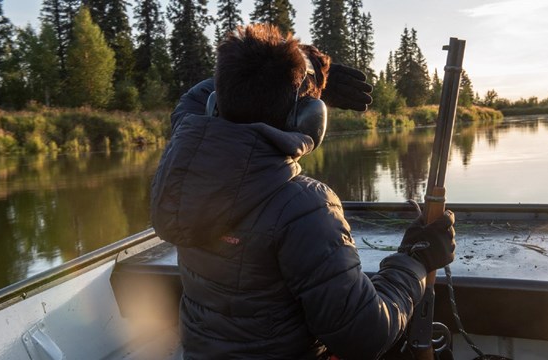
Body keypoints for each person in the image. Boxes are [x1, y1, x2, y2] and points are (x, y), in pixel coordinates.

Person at [150, 24, 456, 360]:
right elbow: (366, 338)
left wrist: (302, 68)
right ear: (311, 119)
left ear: (215, 104)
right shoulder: (303, 206)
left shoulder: (187, 170)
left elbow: (198, 98)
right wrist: (415, 259)